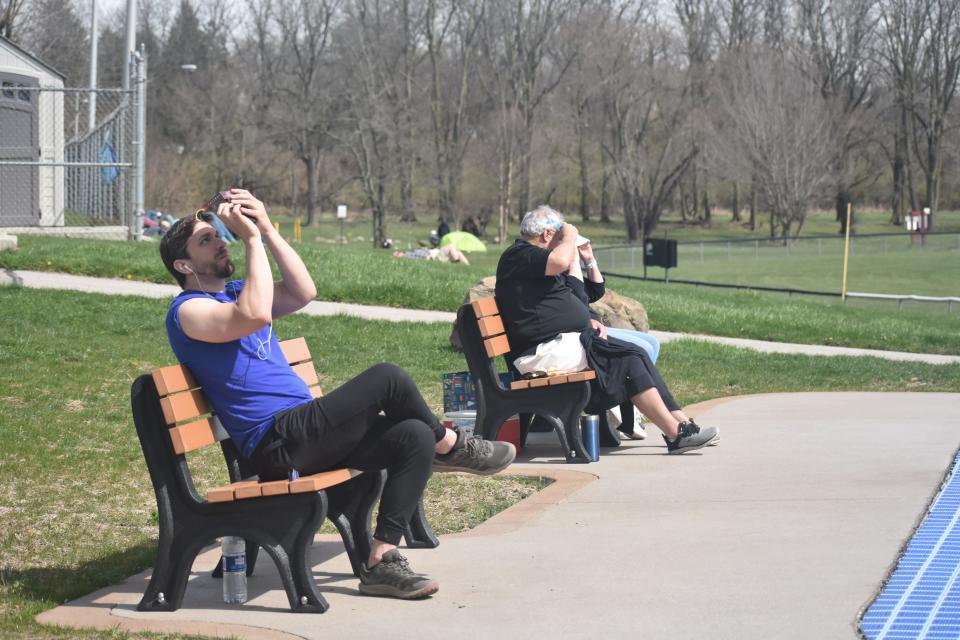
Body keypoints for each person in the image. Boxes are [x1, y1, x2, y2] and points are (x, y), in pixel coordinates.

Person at [159, 189, 515, 600]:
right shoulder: (187, 311)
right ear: (183, 264)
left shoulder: (236, 289)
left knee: (413, 434)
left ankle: (382, 560)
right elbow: (253, 314)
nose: (222, 240)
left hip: (302, 431)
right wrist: (252, 241)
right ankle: (452, 446)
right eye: (206, 240)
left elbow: (303, 291)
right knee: (389, 379)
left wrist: (268, 230)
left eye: (218, 234)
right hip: (275, 443)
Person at [495, 205, 719, 454]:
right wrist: (569, 237)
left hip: (558, 345)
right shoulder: (519, 254)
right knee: (627, 360)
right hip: (540, 353)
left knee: (637, 354)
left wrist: (581, 259)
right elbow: (559, 260)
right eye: (559, 237)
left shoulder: (537, 262)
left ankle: (683, 425)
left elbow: (579, 293)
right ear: (547, 234)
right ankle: (675, 434)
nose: (564, 245)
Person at [569, 235, 659, 440]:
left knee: (652, 343)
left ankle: (633, 402)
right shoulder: (558, 270)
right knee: (642, 348)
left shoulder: (568, 269)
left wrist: (589, 259)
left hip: (592, 324)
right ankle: (629, 398)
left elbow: (595, 290)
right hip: (585, 329)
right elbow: (576, 300)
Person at [392, 244, 470, 265]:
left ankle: (467, 266)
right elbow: (418, 256)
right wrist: (398, 255)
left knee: (458, 252)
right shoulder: (408, 255)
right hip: (435, 257)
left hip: (437, 254)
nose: (399, 252)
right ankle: (456, 260)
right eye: (398, 253)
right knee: (450, 246)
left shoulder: (408, 253)